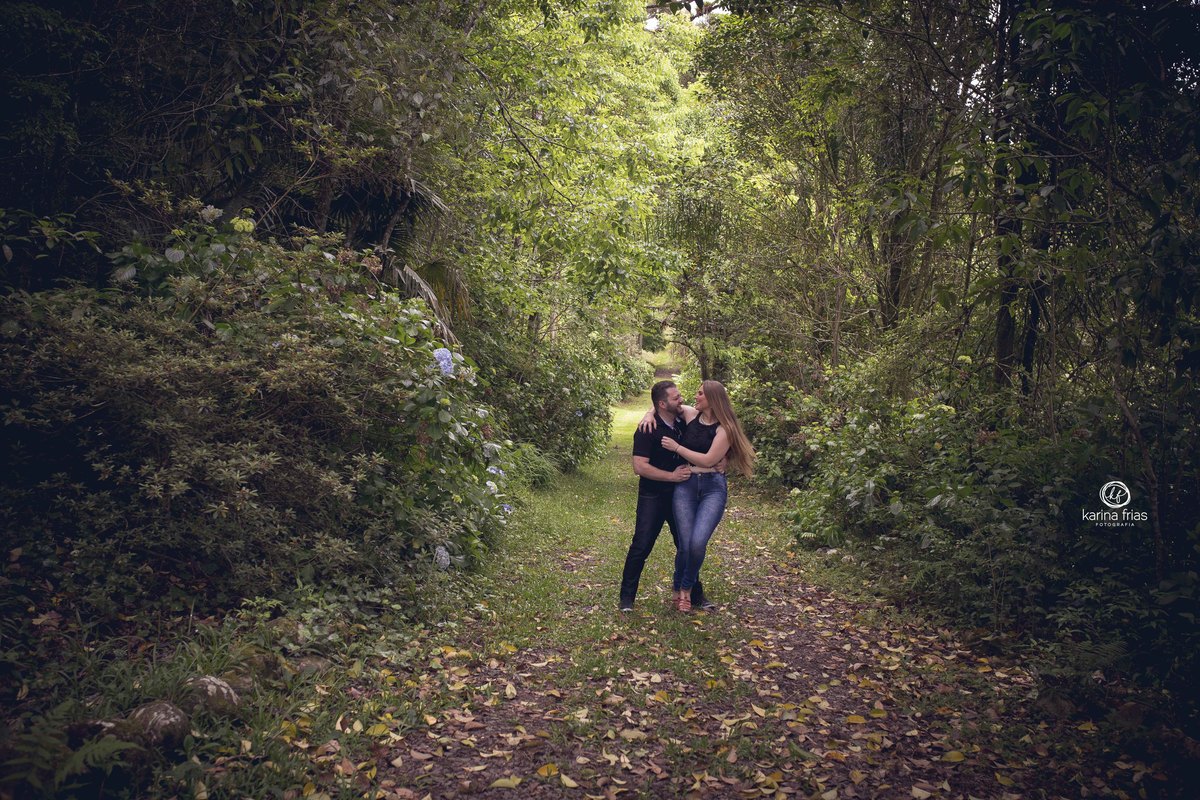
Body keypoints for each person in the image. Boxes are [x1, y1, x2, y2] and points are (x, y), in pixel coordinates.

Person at [639, 380, 754, 612]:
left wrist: (677, 448)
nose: (695, 396)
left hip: (712, 487)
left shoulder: (725, 429)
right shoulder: (692, 414)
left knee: (697, 542)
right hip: (686, 485)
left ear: (712, 399)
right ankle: (680, 593)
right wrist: (648, 414)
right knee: (684, 543)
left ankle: (687, 587)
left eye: (700, 393)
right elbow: (662, 405)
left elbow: (709, 460)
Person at [619, 380, 711, 613]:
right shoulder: (647, 429)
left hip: (682, 495)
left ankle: (696, 595)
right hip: (653, 496)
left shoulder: (683, 420)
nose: (681, 400)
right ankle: (626, 599)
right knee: (641, 545)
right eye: (675, 398)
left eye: (680, 396)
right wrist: (670, 476)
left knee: (686, 545)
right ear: (662, 404)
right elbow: (640, 467)